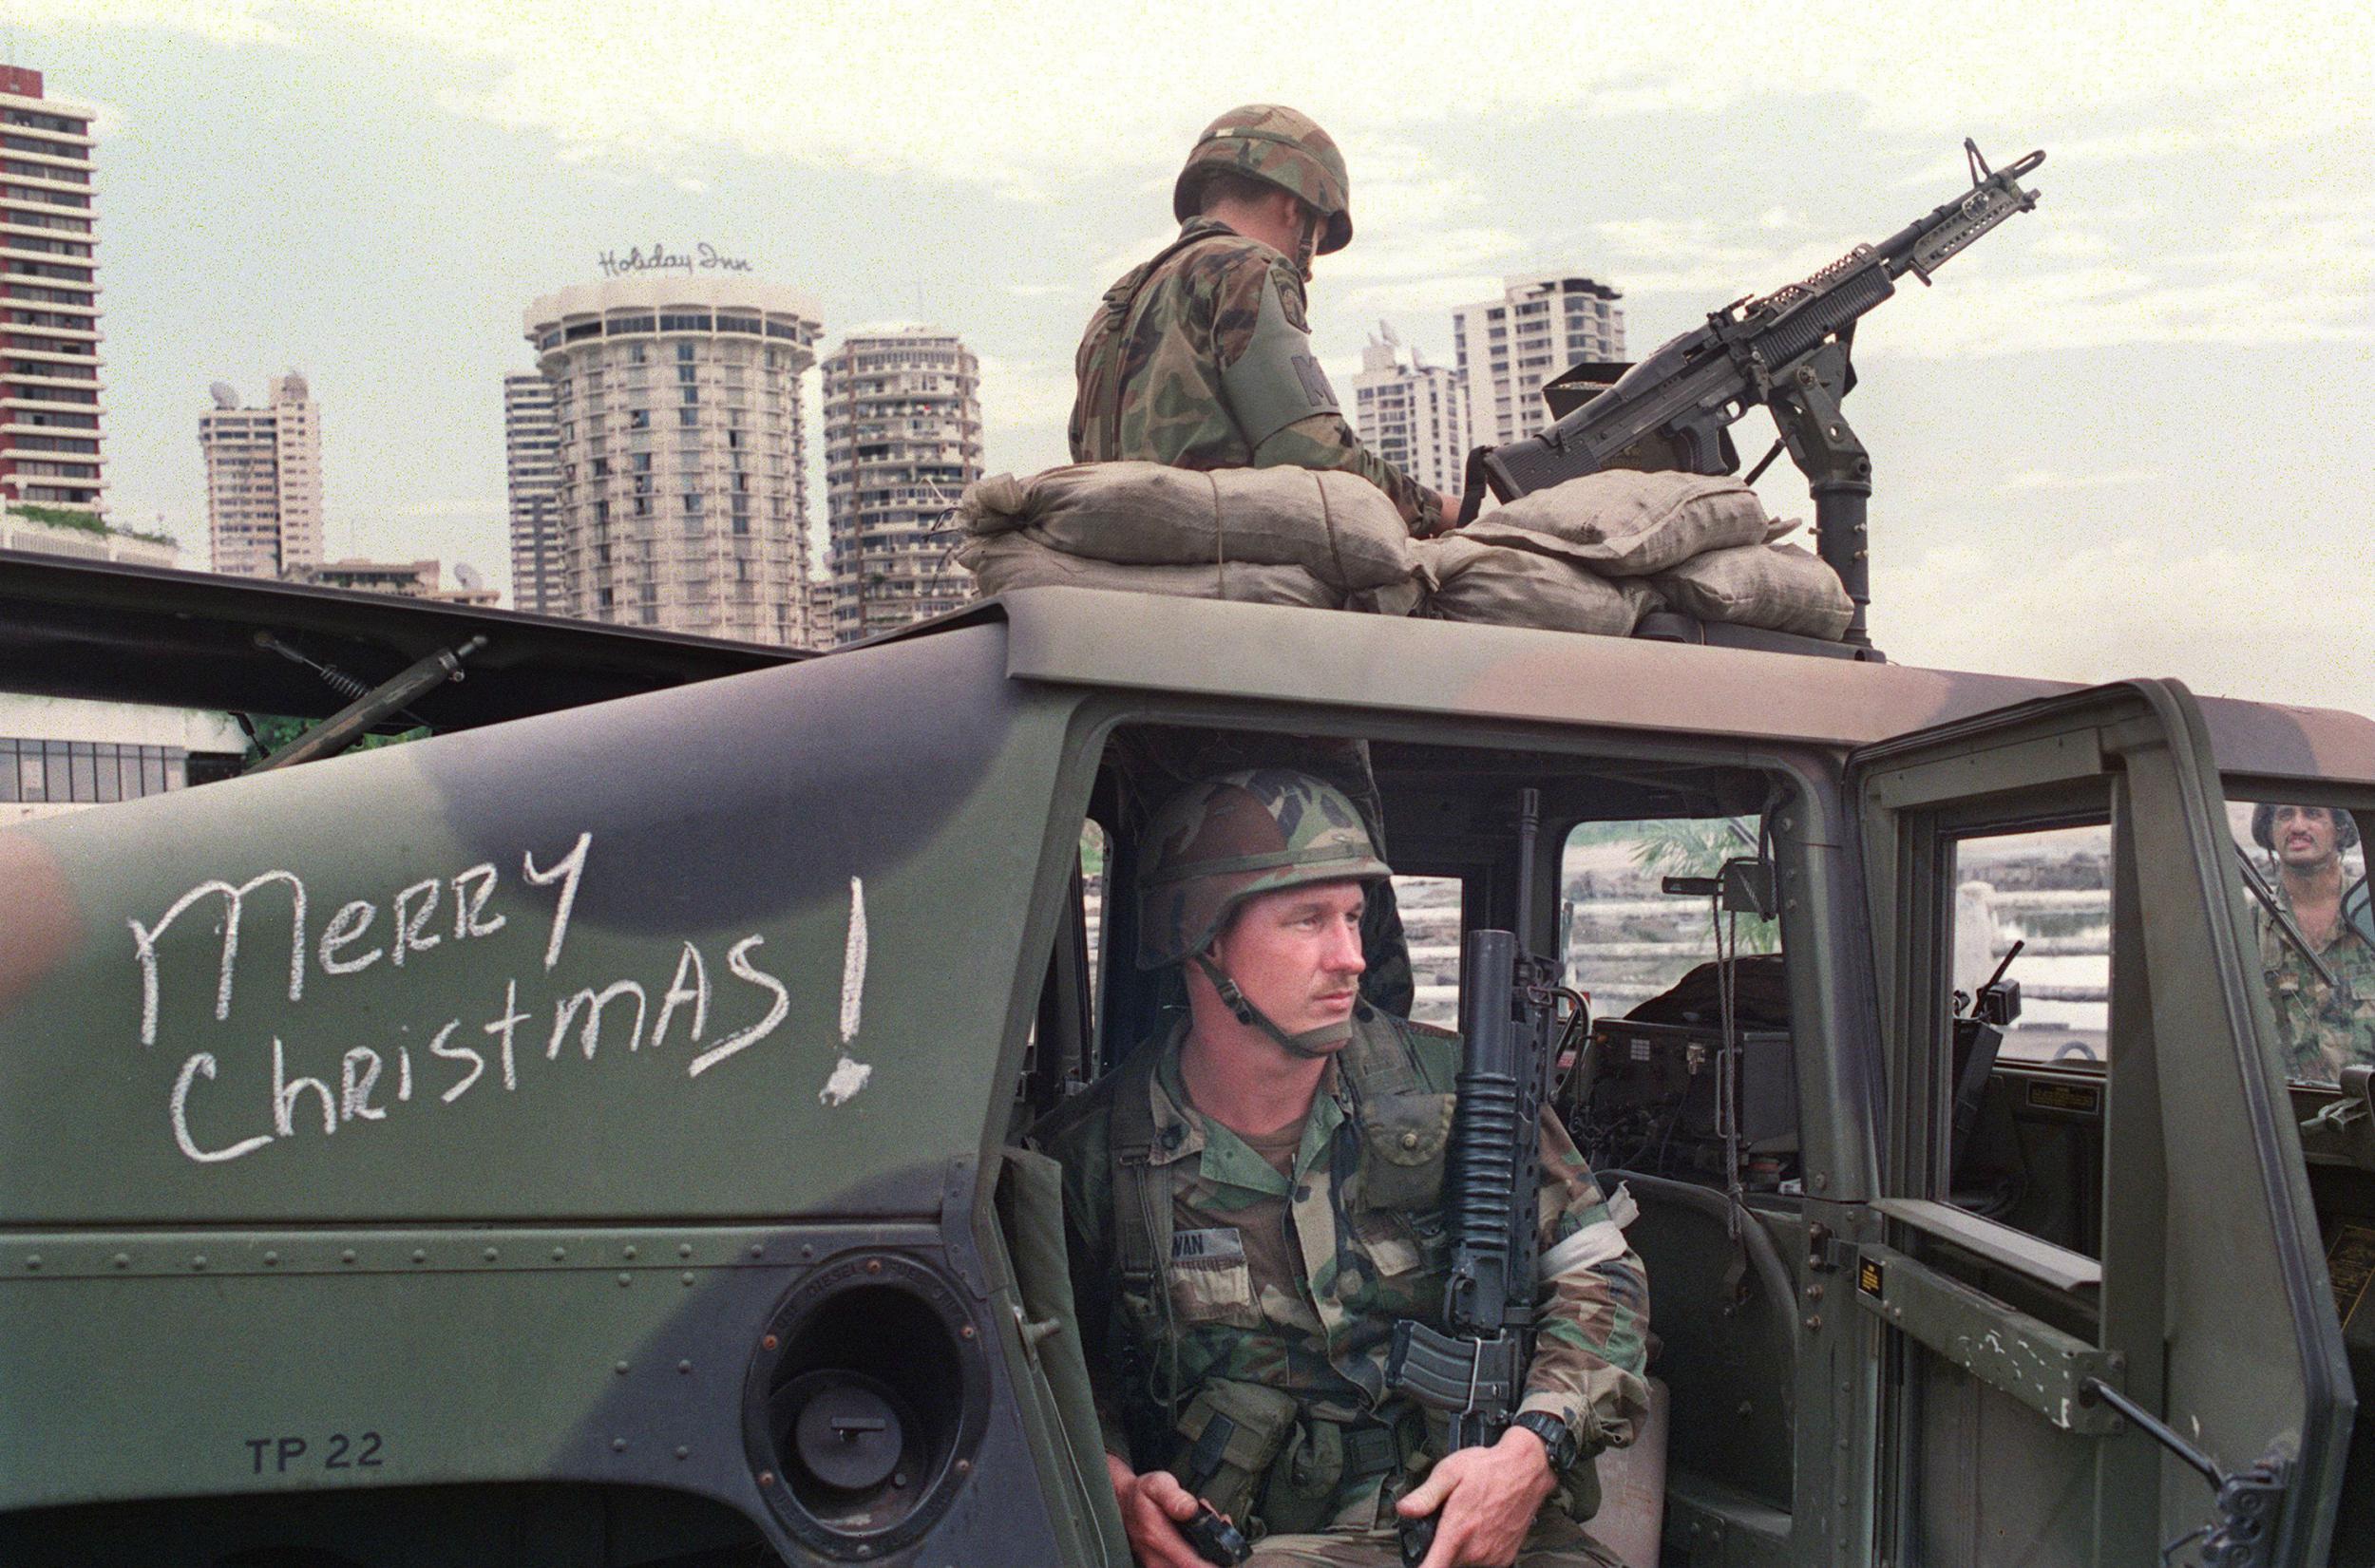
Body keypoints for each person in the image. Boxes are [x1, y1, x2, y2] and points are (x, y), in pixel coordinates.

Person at [1036, 769, 1647, 1568]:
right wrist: (1110, 1485)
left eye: (1356, 916)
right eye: (1308, 920)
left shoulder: (1458, 1090)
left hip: (1476, 1531)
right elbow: (1047, 1372)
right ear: (1203, 940)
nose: (1351, 956)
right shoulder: (1092, 1154)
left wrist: (1531, 1450)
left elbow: (1600, 1276)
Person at [1070, 105, 1460, 538]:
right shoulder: (1249, 268)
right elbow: (1312, 455)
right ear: (1295, 207)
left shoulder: (1113, 308)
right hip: (1225, 574)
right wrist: (1441, 511)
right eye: (1319, 239)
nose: (1308, 267)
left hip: (1118, 584)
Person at [2251, 803, 2375, 1081]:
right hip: (2287, 1114)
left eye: (2312, 814)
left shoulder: (2367, 911)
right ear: (2269, 832)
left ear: (2340, 829)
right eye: (2285, 815)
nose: (2297, 827)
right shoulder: (2246, 925)